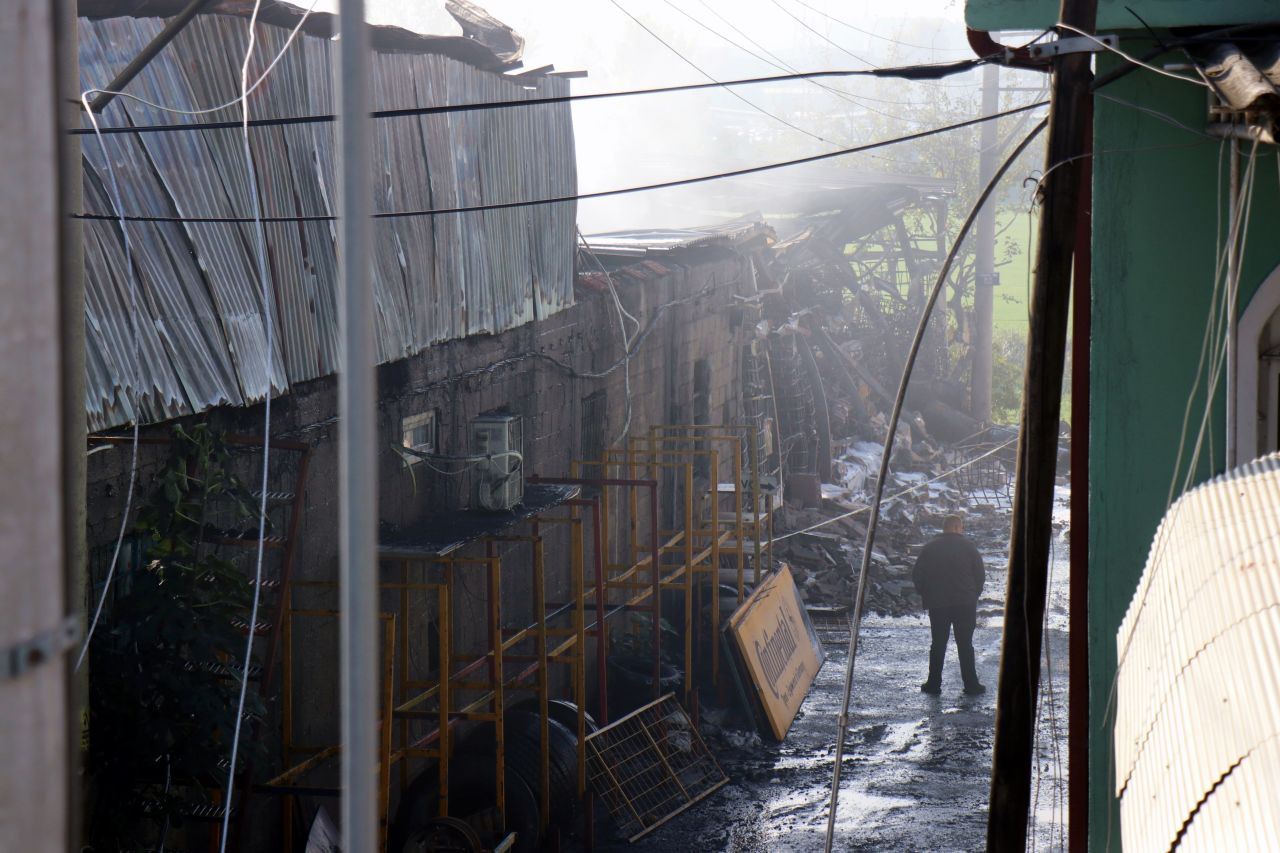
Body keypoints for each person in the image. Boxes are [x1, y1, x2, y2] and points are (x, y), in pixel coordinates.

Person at [912, 514, 986, 696]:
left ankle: (933, 684)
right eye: (961, 527)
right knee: (965, 644)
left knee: (938, 644)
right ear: (956, 528)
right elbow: (980, 575)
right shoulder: (969, 547)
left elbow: (917, 575)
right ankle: (971, 685)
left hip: (938, 604)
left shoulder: (930, 548)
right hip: (965, 604)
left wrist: (926, 594)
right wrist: (973, 595)